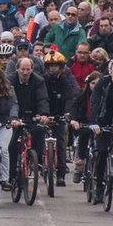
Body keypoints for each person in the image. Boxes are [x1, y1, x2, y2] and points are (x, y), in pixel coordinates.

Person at [41, 50, 78, 185]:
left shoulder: (66, 79)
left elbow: (73, 95)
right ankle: (38, 162)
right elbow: (39, 97)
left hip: (60, 113)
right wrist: (41, 113)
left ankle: (61, 173)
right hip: (44, 113)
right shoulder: (42, 79)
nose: (53, 68)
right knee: (38, 137)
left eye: (56, 65)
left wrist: (67, 113)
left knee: (61, 143)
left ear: (61, 67)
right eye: (50, 66)